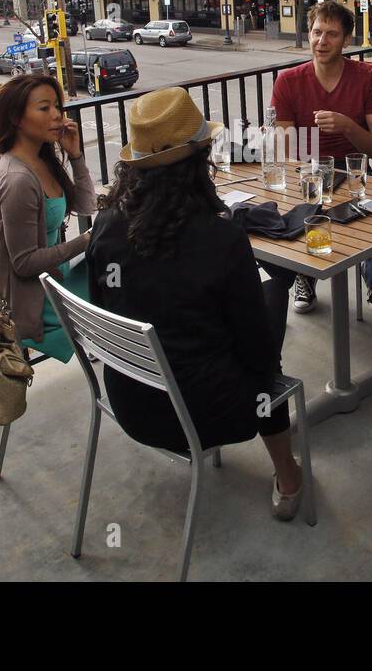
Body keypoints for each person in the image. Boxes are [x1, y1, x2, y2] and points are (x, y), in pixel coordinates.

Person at [87, 87, 307, 519]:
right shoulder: (220, 238)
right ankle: (288, 474)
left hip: (129, 400)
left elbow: (107, 306)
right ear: (198, 159)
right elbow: (256, 352)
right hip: (203, 413)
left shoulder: (106, 222)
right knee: (267, 344)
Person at [270, 0, 372, 318]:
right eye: (316, 32)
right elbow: (285, 149)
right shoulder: (288, 81)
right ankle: (305, 275)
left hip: (356, 171)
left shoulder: (369, 77)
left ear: (347, 40)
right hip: (308, 173)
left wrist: (348, 126)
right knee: (296, 211)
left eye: (332, 34)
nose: (321, 41)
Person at [0, 74, 96, 363]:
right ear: (16, 118)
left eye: (57, 107)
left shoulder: (41, 158)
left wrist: (75, 156)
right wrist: (85, 241)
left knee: (120, 273)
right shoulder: (17, 180)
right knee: (123, 290)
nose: (57, 115)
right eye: (44, 108)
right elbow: (23, 264)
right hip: (35, 298)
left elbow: (86, 205)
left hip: (53, 276)